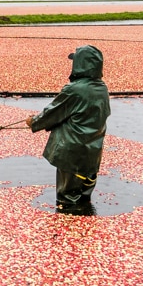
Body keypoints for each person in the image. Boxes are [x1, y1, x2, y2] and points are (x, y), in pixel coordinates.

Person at [26, 45, 110, 213]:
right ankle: (86, 227)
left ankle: (66, 227)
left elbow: (54, 112)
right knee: (84, 191)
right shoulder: (102, 88)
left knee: (67, 198)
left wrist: (34, 122)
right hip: (91, 149)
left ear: (81, 64)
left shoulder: (74, 89)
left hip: (72, 148)